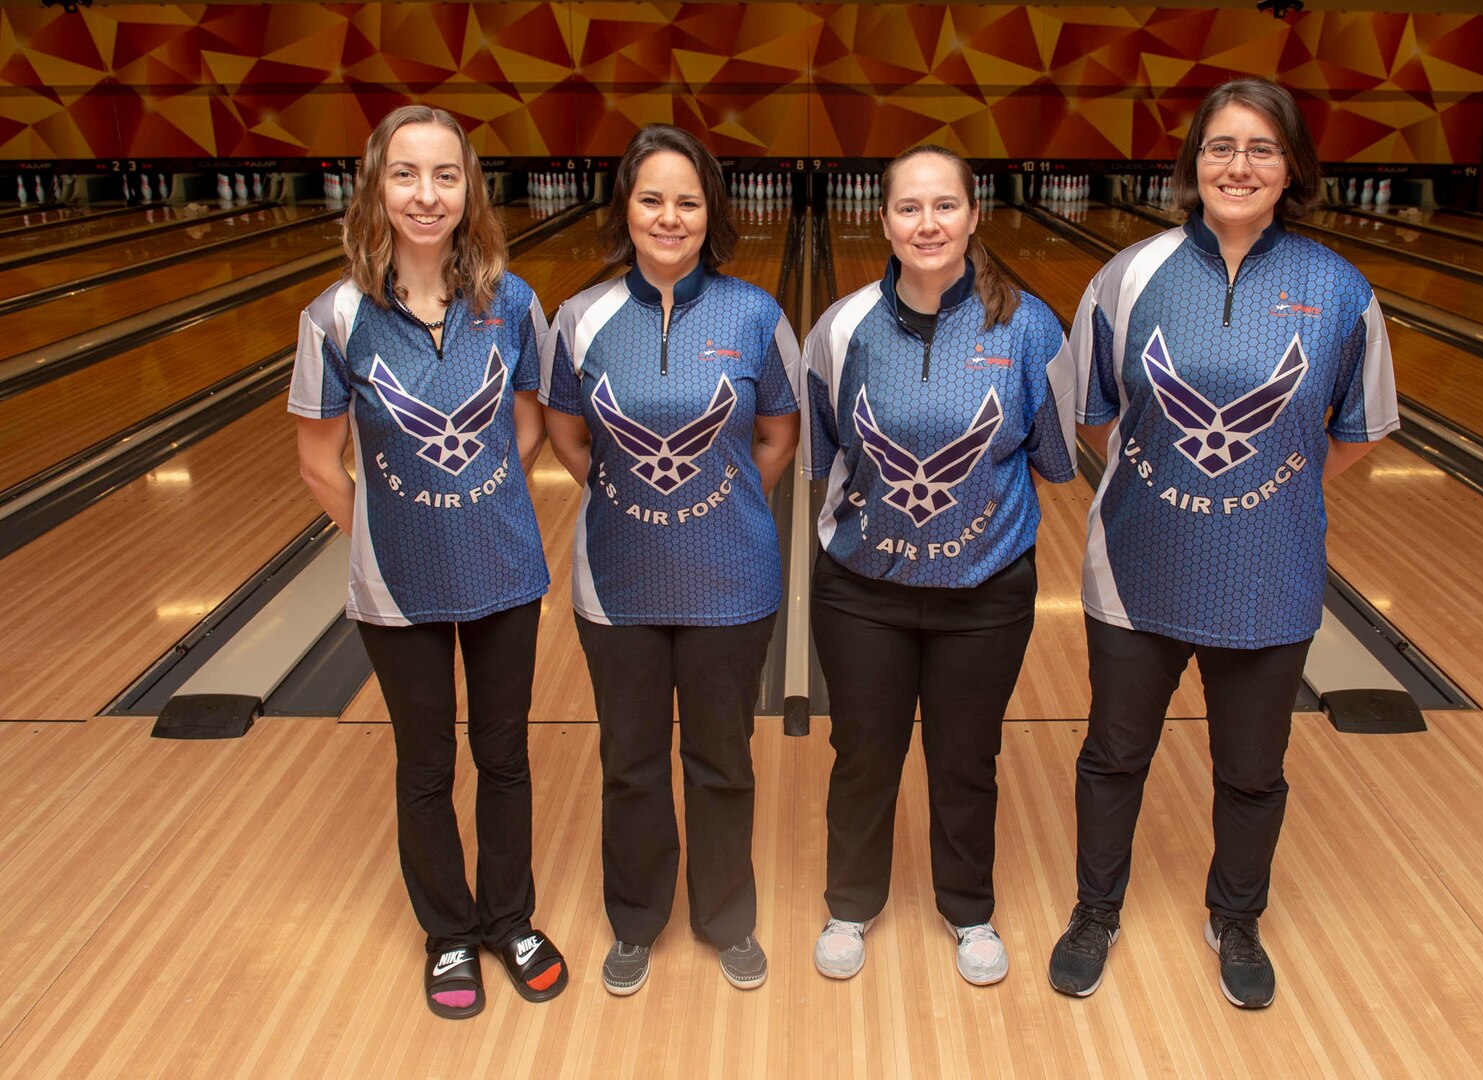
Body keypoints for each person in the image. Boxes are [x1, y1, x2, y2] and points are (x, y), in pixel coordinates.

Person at [1048, 77, 1399, 1008]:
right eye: (1219, 146)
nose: (1237, 165)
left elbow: (1358, 432)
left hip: (1270, 570)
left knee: (1252, 770)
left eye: (1260, 148)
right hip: (1137, 565)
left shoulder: (1338, 289)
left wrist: (1261, 493)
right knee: (1114, 754)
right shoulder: (1125, 276)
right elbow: (1093, 416)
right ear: (1192, 162)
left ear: (1291, 168)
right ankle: (1095, 909)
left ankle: (1235, 918)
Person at [290, 104, 567, 1020]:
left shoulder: (513, 301)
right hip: (395, 584)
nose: (425, 194)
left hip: (502, 567)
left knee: (504, 754)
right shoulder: (334, 316)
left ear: (469, 190)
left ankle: (508, 919)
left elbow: (526, 420)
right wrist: (391, 531)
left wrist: (477, 498)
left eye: (444, 176)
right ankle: (448, 933)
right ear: (376, 186)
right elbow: (318, 461)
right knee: (423, 764)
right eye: (405, 175)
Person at [802, 144, 1077, 986]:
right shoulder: (840, 328)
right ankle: (850, 904)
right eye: (909, 208)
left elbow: (1053, 456)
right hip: (861, 590)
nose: (927, 223)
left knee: (966, 755)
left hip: (985, 589)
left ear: (972, 214)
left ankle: (968, 910)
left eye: (944, 206)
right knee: (863, 753)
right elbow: (823, 454)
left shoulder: (1029, 327)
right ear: (881, 218)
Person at [541, 124, 801, 996]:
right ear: (626, 206)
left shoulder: (755, 314)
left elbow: (776, 435)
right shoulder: (581, 319)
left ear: (710, 213)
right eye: (651, 198)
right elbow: (566, 433)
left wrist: (718, 500)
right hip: (617, 582)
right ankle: (636, 919)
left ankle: (726, 918)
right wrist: (626, 494)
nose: (669, 216)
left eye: (687, 201)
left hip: (732, 580)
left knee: (723, 759)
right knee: (631, 758)